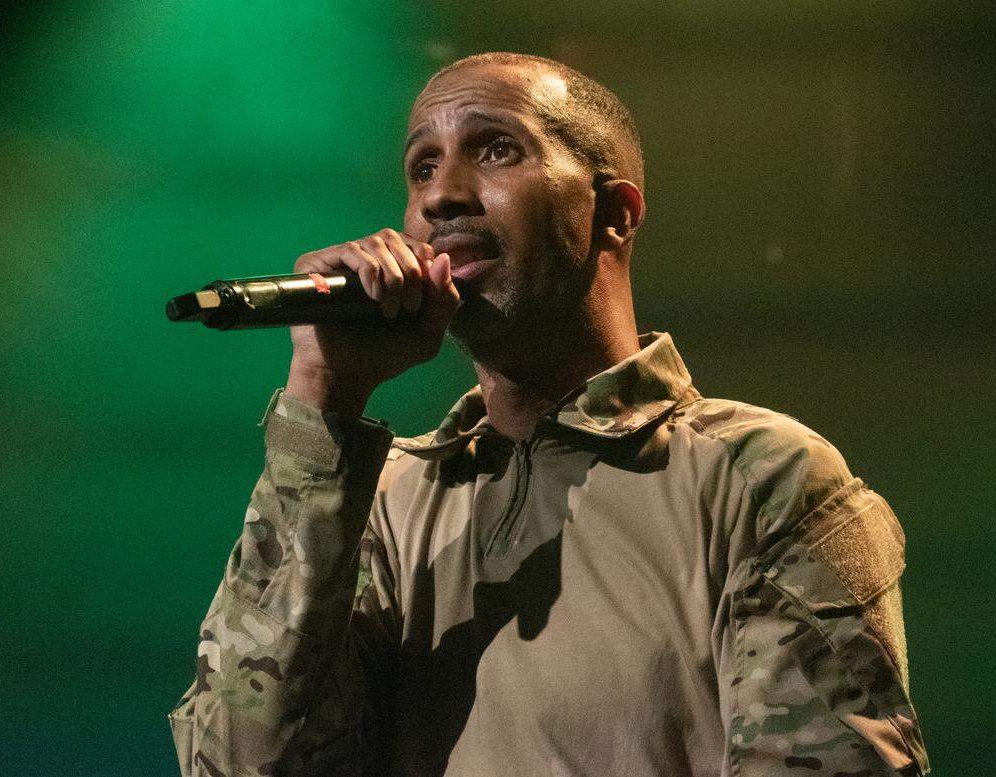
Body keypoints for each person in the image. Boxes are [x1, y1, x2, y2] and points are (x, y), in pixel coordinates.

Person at [169, 52, 929, 776]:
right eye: (422, 167)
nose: (442, 195)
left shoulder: (763, 475)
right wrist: (323, 396)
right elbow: (244, 759)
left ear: (616, 212)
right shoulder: (383, 500)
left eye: (495, 150)